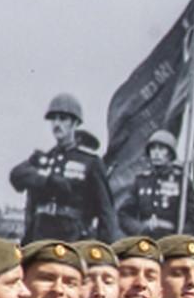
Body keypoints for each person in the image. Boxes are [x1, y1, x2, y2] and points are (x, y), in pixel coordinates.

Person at [10, 94, 118, 242]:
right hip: (40, 235)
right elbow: (16, 176)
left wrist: (105, 247)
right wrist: (47, 181)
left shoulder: (90, 162)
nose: (57, 124)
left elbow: (106, 210)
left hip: (73, 237)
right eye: (53, 119)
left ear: (75, 123)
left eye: (63, 119)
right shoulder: (43, 158)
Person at [117, 131, 192, 238]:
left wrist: (182, 236)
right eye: (153, 149)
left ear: (170, 154)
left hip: (171, 240)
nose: (156, 153)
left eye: (161, 149)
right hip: (145, 239)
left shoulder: (182, 181)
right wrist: (139, 229)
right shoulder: (141, 180)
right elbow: (124, 214)